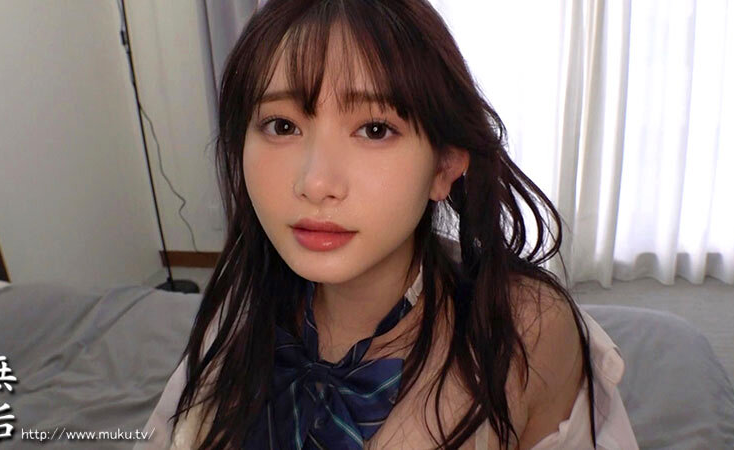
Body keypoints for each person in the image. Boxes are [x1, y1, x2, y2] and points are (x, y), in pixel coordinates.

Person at [136, 0, 638, 448]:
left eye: (375, 129)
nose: (316, 183)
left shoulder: (525, 330)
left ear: (443, 165)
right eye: (282, 126)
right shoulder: (237, 308)